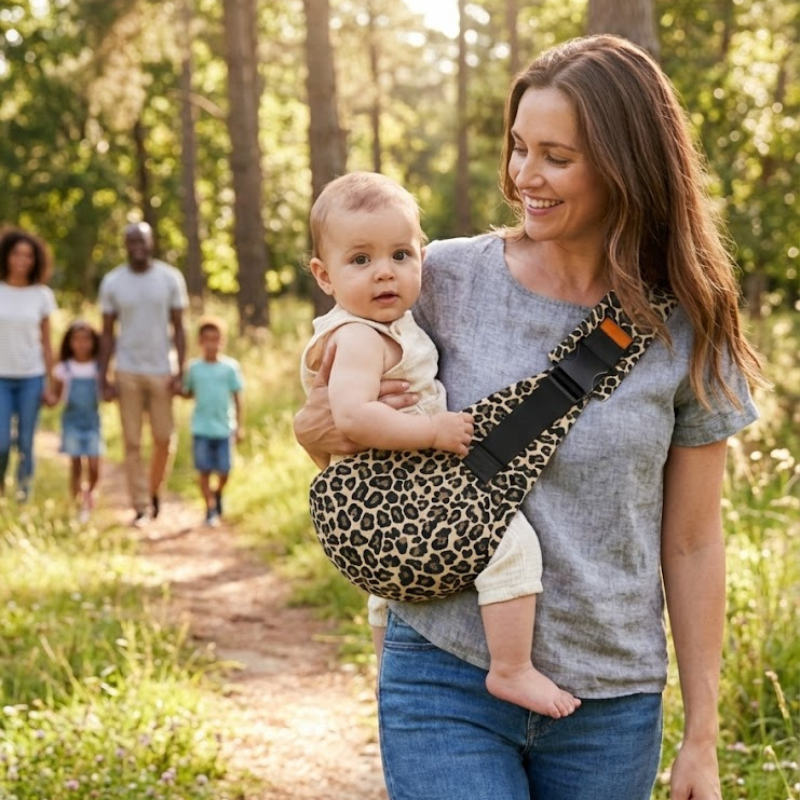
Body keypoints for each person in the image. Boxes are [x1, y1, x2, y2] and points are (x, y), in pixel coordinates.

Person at [294, 35, 764, 800]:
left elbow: (693, 540)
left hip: (610, 701)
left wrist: (701, 737)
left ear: (626, 164)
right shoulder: (439, 276)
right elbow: (332, 422)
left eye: (555, 155)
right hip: (445, 669)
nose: (524, 177)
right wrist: (313, 430)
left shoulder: (687, 324)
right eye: (518, 148)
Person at [301, 171, 579, 718]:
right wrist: (432, 431)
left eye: (401, 254)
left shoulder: (390, 323)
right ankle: (511, 668)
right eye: (360, 260)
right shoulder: (358, 336)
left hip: (391, 487)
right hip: (403, 477)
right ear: (323, 275)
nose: (385, 272)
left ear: (422, 256)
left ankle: (387, 680)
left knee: (390, 589)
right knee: (510, 542)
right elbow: (353, 418)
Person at [98, 222, 188, 526]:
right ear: (125, 244)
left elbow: (180, 327)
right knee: (133, 441)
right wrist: (104, 377)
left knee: (164, 438)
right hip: (127, 371)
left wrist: (181, 371)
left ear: (152, 242)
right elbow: (107, 334)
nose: (137, 245)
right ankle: (139, 505)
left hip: (162, 369)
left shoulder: (169, 278)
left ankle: (153, 490)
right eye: (131, 240)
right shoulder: (113, 282)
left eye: (142, 240)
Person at [0, 227, 57, 502]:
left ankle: (23, 497)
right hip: (1, 377)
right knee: (0, 442)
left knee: (25, 442)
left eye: (29, 256)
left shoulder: (42, 295)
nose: (22, 260)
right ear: (6, 256)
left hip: (31, 377)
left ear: (36, 260)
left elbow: (47, 343)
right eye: (17, 254)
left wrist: (52, 384)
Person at [182, 317, 244, 527]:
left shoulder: (230, 368)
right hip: (201, 428)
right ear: (200, 341)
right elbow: (188, 392)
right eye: (207, 339)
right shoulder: (194, 368)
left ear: (222, 341)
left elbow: (237, 397)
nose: (211, 344)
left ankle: (218, 494)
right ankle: (209, 509)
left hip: (224, 427)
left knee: (225, 470)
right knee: (204, 471)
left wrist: (239, 425)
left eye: (216, 339)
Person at [51, 320, 103, 522]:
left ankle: (90, 494)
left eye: (86, 339)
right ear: (70, 342)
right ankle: (76, 503)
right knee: (76, 465)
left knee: (94, 465)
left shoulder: (98, 367)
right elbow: (56, 396)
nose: (82, 344)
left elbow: (106, 391)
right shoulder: (64, 368)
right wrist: (47, 399)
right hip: (71, 420)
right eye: (77, 339)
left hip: (93, 421)